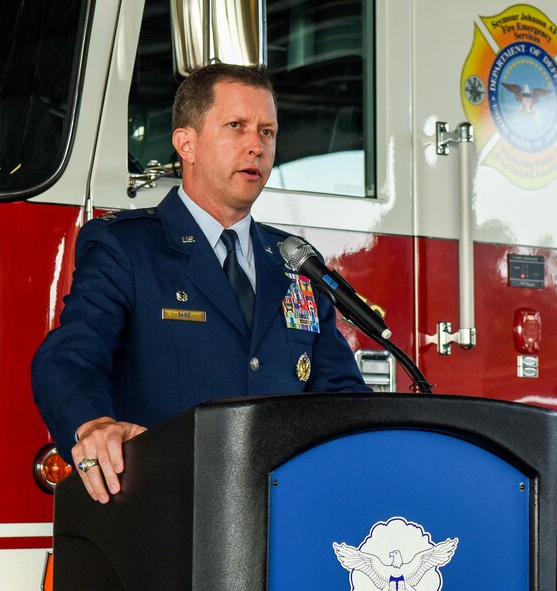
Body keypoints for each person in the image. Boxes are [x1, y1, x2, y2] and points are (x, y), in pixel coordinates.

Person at [32, 63, 369, 504]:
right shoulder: (126, 247)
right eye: (237, 126)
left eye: (267, 132)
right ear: (185, 143)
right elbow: (69, 358)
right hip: (163, 511)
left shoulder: (294, 260)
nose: (256, 146)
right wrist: (93, 425)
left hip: (280, 517)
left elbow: (341, 397)